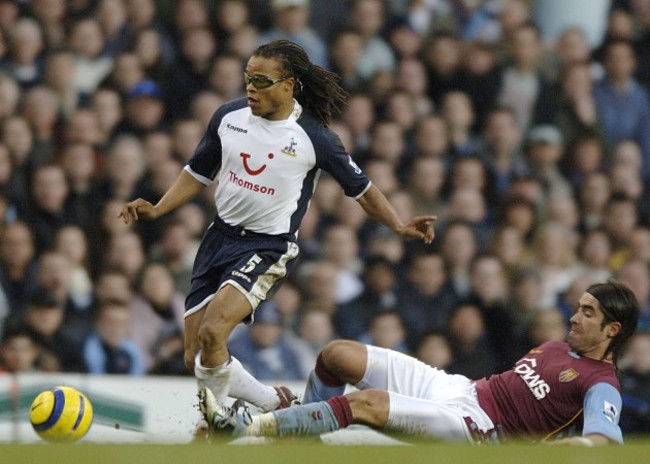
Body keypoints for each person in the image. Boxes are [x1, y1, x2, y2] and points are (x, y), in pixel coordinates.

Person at [119, 40, 436, 416]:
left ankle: (219, 422)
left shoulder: (314, 138)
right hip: (218, 238)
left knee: (212, 333)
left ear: (288, 85)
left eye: (261, 80)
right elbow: (197, 173)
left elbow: (362, 190)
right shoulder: (228, 117)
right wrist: (158, 209)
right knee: (197, 357)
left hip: (266, 247)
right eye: (247, 78)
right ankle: (272, 402)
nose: (250, 87)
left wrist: (398, 225)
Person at [203, 280, 639, 446]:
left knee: (368, 403)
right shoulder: (558, 348)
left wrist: (574, 449)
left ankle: (248, 428)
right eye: (578, 307)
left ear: (612, 330)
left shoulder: (601, 383)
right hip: (461, 390)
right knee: (337, 354)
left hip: (479, 433)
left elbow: (607, 438)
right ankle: (303, 445)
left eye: (587, 313)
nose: (573, 317)